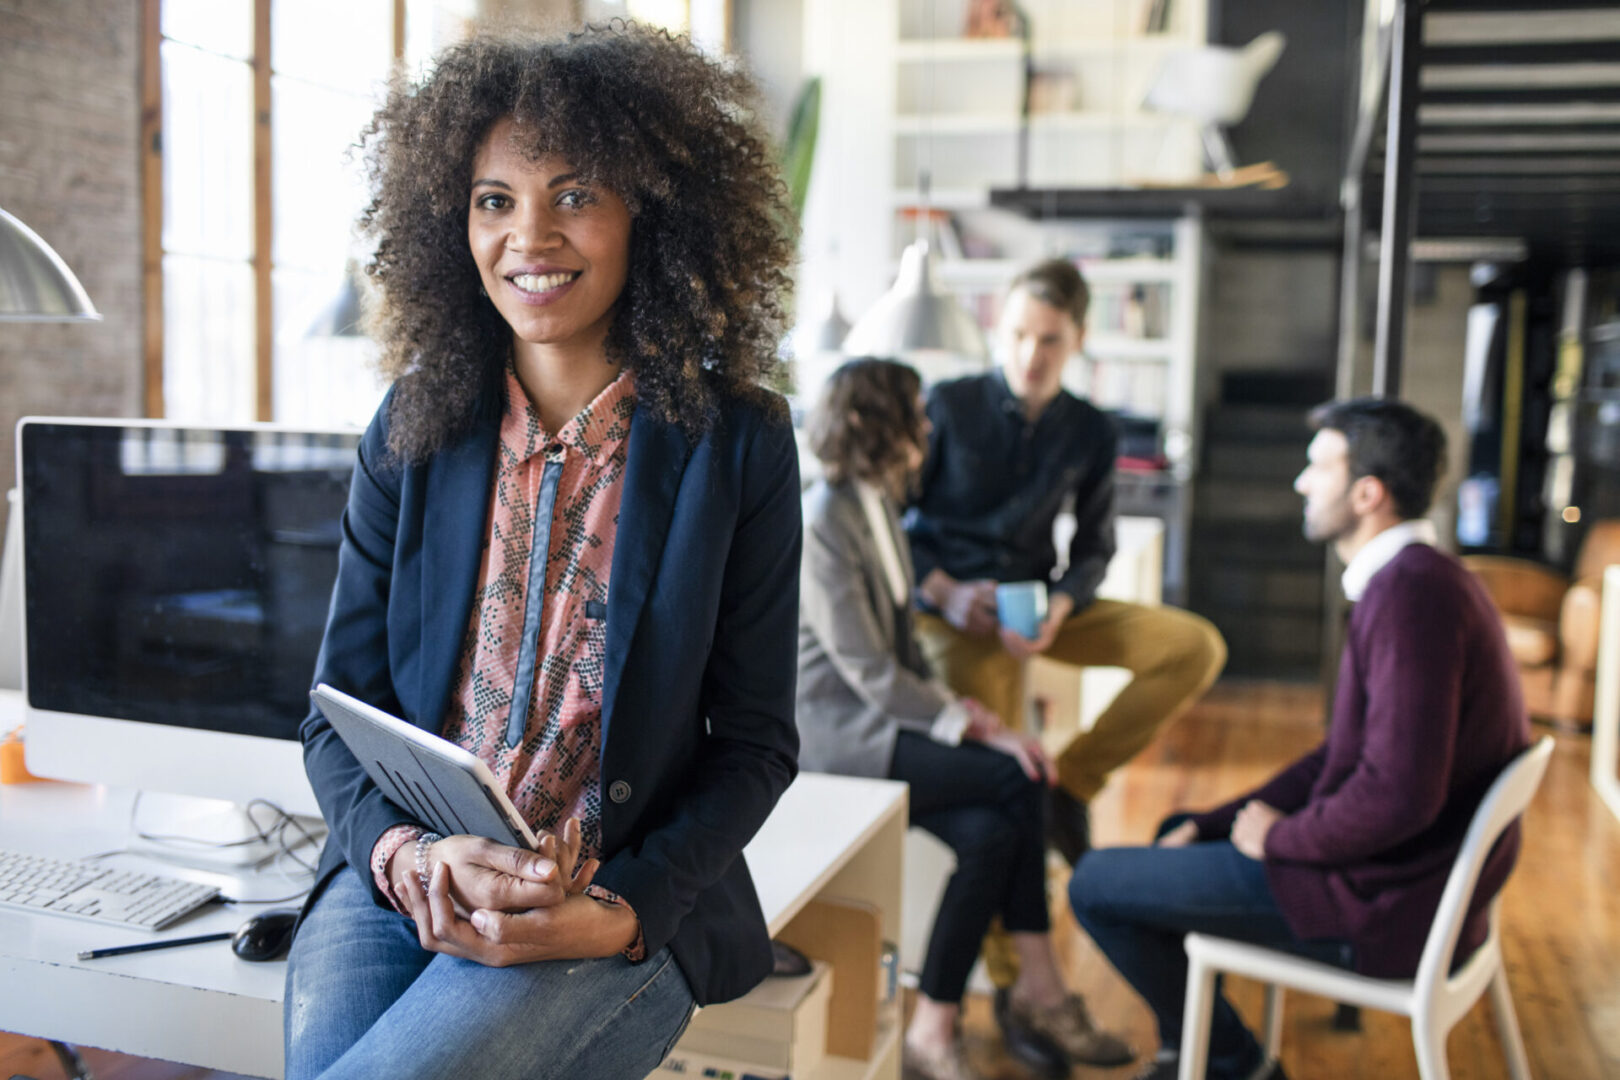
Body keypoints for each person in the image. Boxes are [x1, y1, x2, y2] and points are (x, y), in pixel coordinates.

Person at [284, 25, 802, 1080]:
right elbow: (335, 712)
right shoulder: (411, 425)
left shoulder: (737, 441)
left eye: (575, 194)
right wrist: (405, 853)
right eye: (494, 199)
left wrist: (619, 912)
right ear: (452, 220)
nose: (530, 235)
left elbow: (754, 743)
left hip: (612, 902)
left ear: (646, 215)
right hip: (414, 874)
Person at [1069, 398, 1533, 1080]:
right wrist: (1218, 821)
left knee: (1092, 885)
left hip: (1382, 904)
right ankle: (1192, 1051)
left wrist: (1278, 840)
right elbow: (1340, 759)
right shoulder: (1420, 581)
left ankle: (1233, 1063)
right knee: (1180, 827)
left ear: (1368, 494)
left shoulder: (1410, 600)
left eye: (1319, 467)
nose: (1301, 483)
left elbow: (1400, 796)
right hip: (1400, 881)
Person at [904, 257, 1227, 1053]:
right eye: (1017, 335)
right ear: (999, 329)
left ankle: (1073, 780)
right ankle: (1020, 989)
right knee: (1009, 785)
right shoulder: (948, 405)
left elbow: (1093, 546)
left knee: (1190, 646)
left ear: (1078, 339)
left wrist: (1063, 608)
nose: (1030, 354)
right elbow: (892, 526)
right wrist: (943, 592)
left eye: (1049, 340)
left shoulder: (1089, 428)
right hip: (953, 612)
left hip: (1040, 605)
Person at [797, 358, 1133, 1080]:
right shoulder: (825, 517)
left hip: (888, 725)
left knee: (992, 832)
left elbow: (904, 649)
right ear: (870, 423)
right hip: (841, 739)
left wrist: (965, 711)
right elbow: (870, 673)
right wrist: (977, 726)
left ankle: (934, 1026)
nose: (926, 426)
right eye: (913, 414)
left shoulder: (878, 506)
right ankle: (1042, 989)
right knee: (1021, 778)